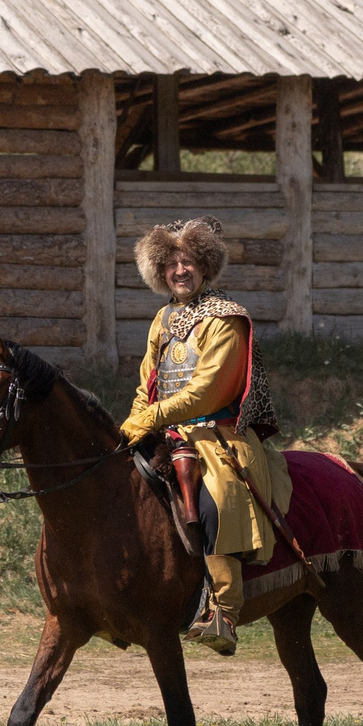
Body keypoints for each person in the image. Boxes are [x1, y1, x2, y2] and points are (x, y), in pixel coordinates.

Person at [119, 217, 292, 655]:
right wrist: (134, 422)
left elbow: (206, 390)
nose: (180, 270)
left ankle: (224, 611)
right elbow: (149, 383)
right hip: (165, 429)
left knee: (214, 500)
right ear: (160, 271)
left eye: (190, 261)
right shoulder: (164, 318)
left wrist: (153, 415)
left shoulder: (227, 318)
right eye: (172, 262)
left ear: (206, 266)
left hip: (219, 436)